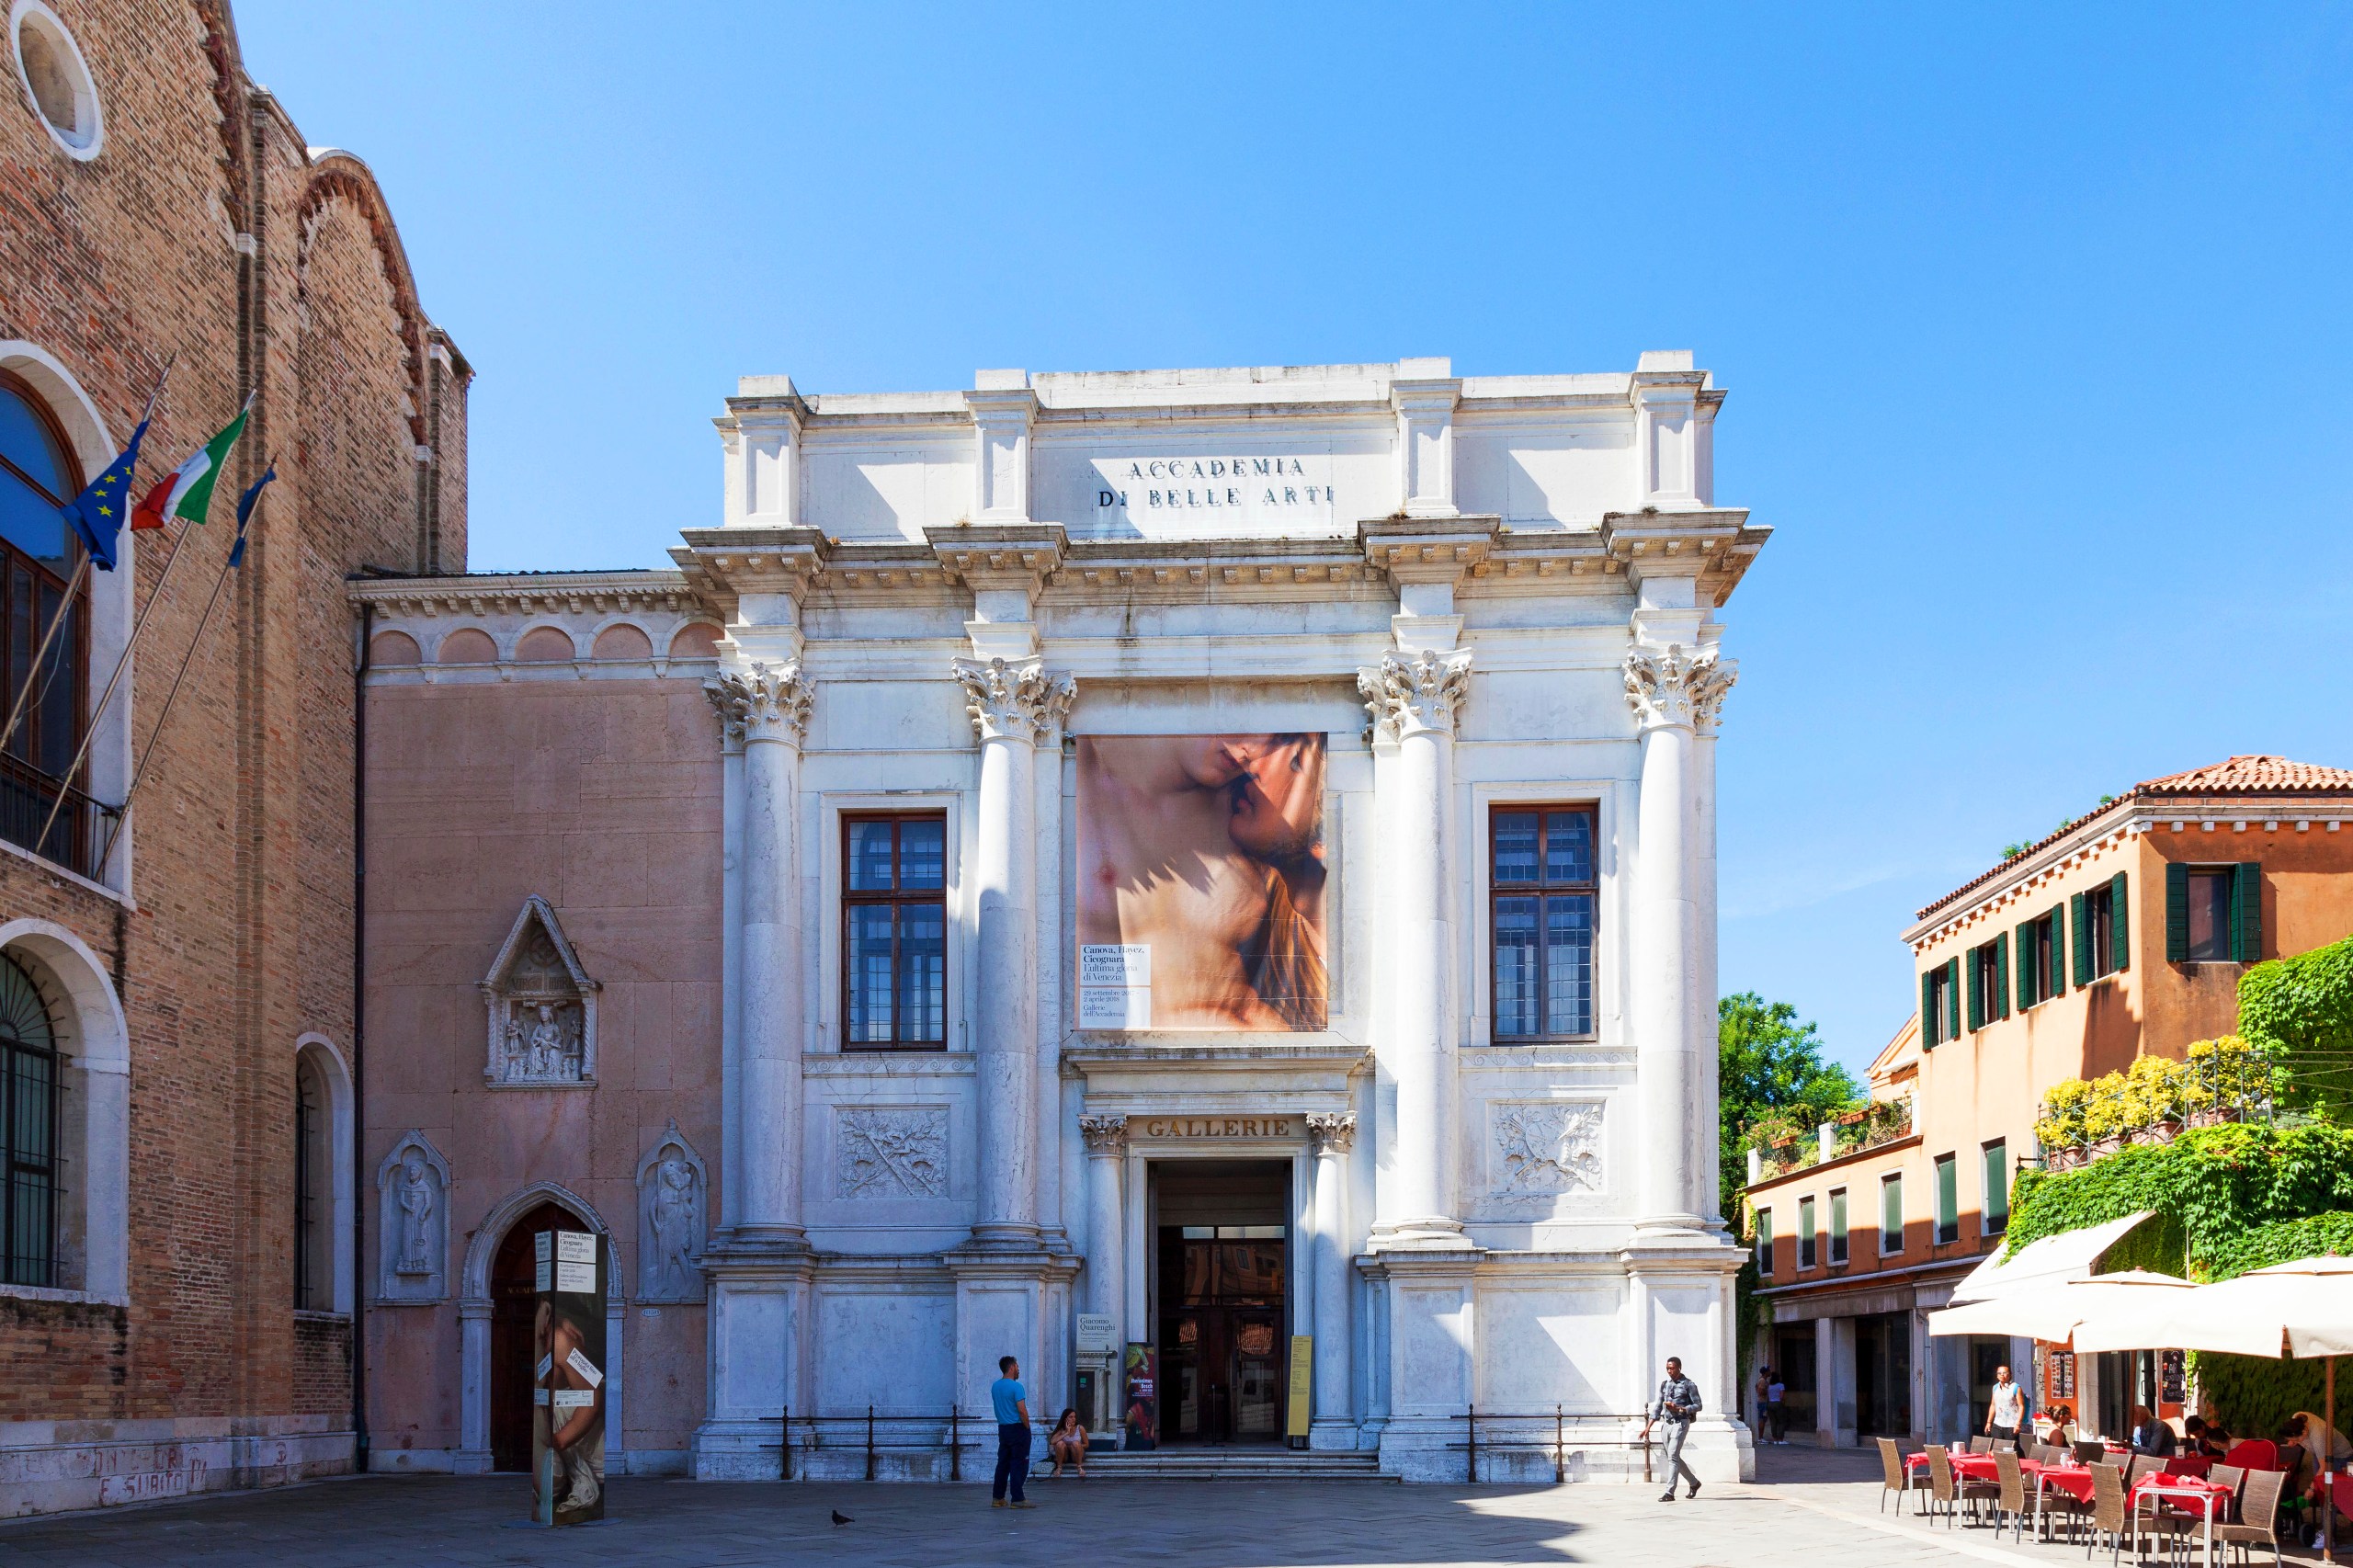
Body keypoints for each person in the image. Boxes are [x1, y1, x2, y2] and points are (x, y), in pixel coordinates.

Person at [1641, 1355, 1704, 1502]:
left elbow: (1698, 1405)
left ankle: (1669, 1492)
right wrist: (1648, 1428)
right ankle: (1694, 1483)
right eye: (1667, 1368)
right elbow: (1657, 1407)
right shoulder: (1665, 1385)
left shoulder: (1689, 1384)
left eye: (1672, 1368)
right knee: (1672, 1457)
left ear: (1679, 1368)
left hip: (1681, 1423)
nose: (1669, 1371)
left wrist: (1681, 1408)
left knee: (1673, 1456)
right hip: (1667, 1424)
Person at [991, 1356, 1034, 1509]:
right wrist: (1027, 1427)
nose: (1018, 1369)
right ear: (1011, 1367)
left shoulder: (995, 1386)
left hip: (1003, 1428)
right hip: (1017, 1428)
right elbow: (1021, 1410)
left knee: (1002, 1464)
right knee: (1019, 1463)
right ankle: (1017, 1498)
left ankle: (998, 1497)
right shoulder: (1017, 1387)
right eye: (1017, 1366)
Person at [1985, 1364, 2027, 1455]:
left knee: (2012, 1447)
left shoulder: (2016, 1387)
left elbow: (2021, 1406)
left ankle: (2021, 1462)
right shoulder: (1995, 1388)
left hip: (2011, 1424)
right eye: (1999, 1373)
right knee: (1997, 1447)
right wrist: (1989, 1422)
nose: (2002, 1375)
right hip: (1998, 1422)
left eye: (2005, 1373)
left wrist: (2018, 1423)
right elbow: (1993, 1405)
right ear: (1996, 1375)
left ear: (2010, 1375)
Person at [1048, 1407, 1087, 1479]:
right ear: (1065, 1419)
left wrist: (1074, 1446)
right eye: (1071, 1417)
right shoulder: (1061, 1429)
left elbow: (1086, 1444)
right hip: (1064, 1456)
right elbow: (1052, 1442)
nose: (1073, 1419)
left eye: (1074, 1417)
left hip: (1077, 1455)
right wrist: (1066, 1433)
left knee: (1076, 1443)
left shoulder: (1080, 1428)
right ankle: (1059, 1468)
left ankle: (1079, 1468)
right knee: (1060, 1443)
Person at [1767, 1371, 1787, 1443]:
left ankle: (1774, 1439)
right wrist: (1783, 1402)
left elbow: (1768, 1396)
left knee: (1773, 1422)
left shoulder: (1770, 1386)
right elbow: (1782, 1396)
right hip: (1778, 1403)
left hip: (1770, 1404)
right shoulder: (1781, 1385)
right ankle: (1780, 1439)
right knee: (1781, 1422)